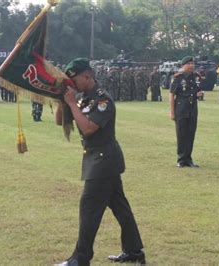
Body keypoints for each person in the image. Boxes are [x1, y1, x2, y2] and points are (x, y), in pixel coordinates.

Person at [55, 58, 145, 266]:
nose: (72, 84)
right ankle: (133, 250)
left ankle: (80, 259)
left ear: (87, 76)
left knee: (89, 208)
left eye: (75, 79)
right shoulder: (82, 99)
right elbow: (61, 121)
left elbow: (88, 128)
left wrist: (70, 103)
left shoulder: (103, 100)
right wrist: (62, 101)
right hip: (99, 160)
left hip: (103, 161)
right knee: (120, 207)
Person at [169, 56, 204, 168]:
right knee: (181, 134)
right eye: (189, 64)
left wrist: (200, 94)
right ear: (184, 65)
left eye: (193, 64)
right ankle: (181, 159)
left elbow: (197, 90)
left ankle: (188, 159)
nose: (192, 66)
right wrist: (172, 112)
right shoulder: (178, 77)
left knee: (190, 134)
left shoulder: (196, 77)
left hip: (192, 108)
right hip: (181, 108)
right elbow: (172, 95)